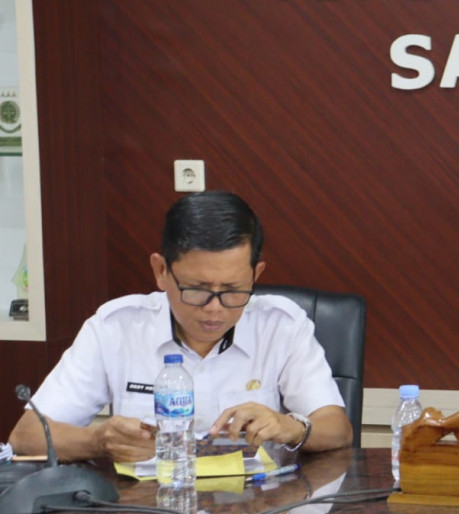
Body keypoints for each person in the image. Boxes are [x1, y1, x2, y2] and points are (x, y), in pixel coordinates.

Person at [8, 191, 352, 462]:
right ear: (161, 271)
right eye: (197, 290)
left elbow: (337, 430)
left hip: (256, 512)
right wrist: (99, 441)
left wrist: (288, 426)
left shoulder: (282, 326)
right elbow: (26, 437)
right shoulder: (116, 327)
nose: (214, 309)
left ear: (256, 275)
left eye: (233, 290)